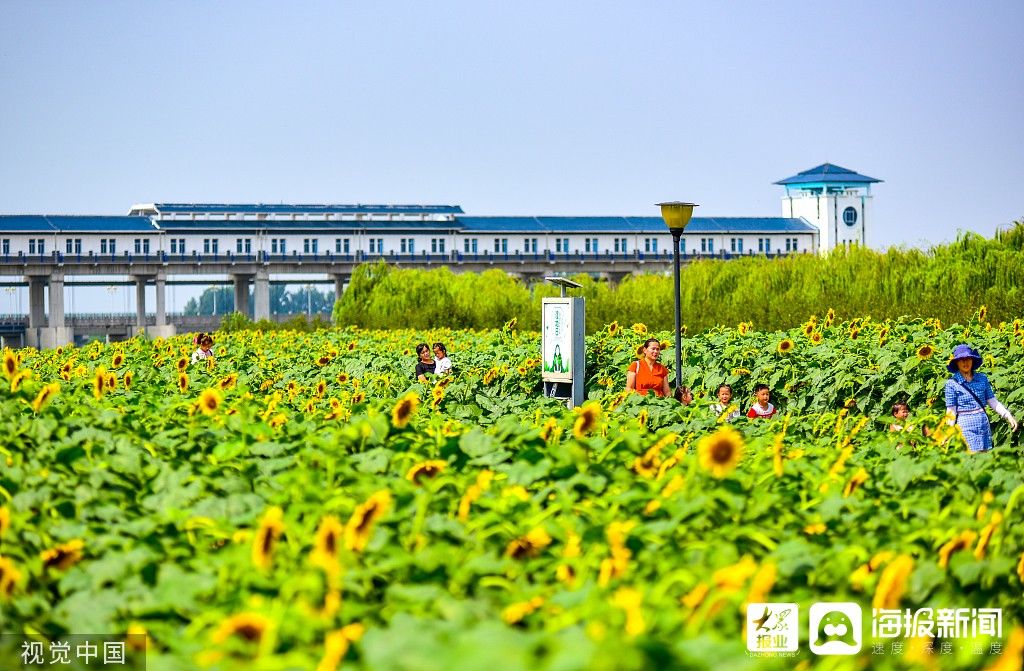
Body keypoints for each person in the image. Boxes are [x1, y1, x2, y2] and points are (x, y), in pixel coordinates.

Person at [944, 344, 1018, 453]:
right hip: (965, 427)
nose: (965, 362)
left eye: (968, 359)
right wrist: (947, 432)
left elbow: (992, 401)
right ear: (956, 363)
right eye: (961, 360)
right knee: (970, 460)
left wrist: (1007, 415)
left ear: (973, 360)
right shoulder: (952, 384)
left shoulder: (982, 378)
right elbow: (951, 411)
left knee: (984, 461)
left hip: (983, 425)